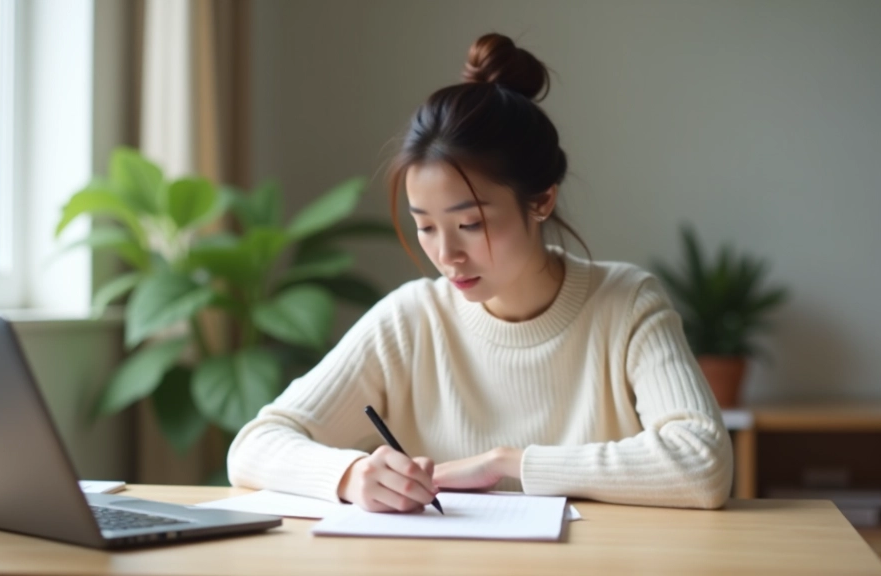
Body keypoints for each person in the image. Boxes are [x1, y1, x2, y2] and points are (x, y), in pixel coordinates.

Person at [228, 32, 733, 513]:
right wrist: (353, 476)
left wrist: (510, 464)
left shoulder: (626, 304)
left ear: (541, 200)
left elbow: (704, 463)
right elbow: (253, 446)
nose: (446, 254)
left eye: (469, 223)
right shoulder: (411, 320)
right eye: (424, 226)